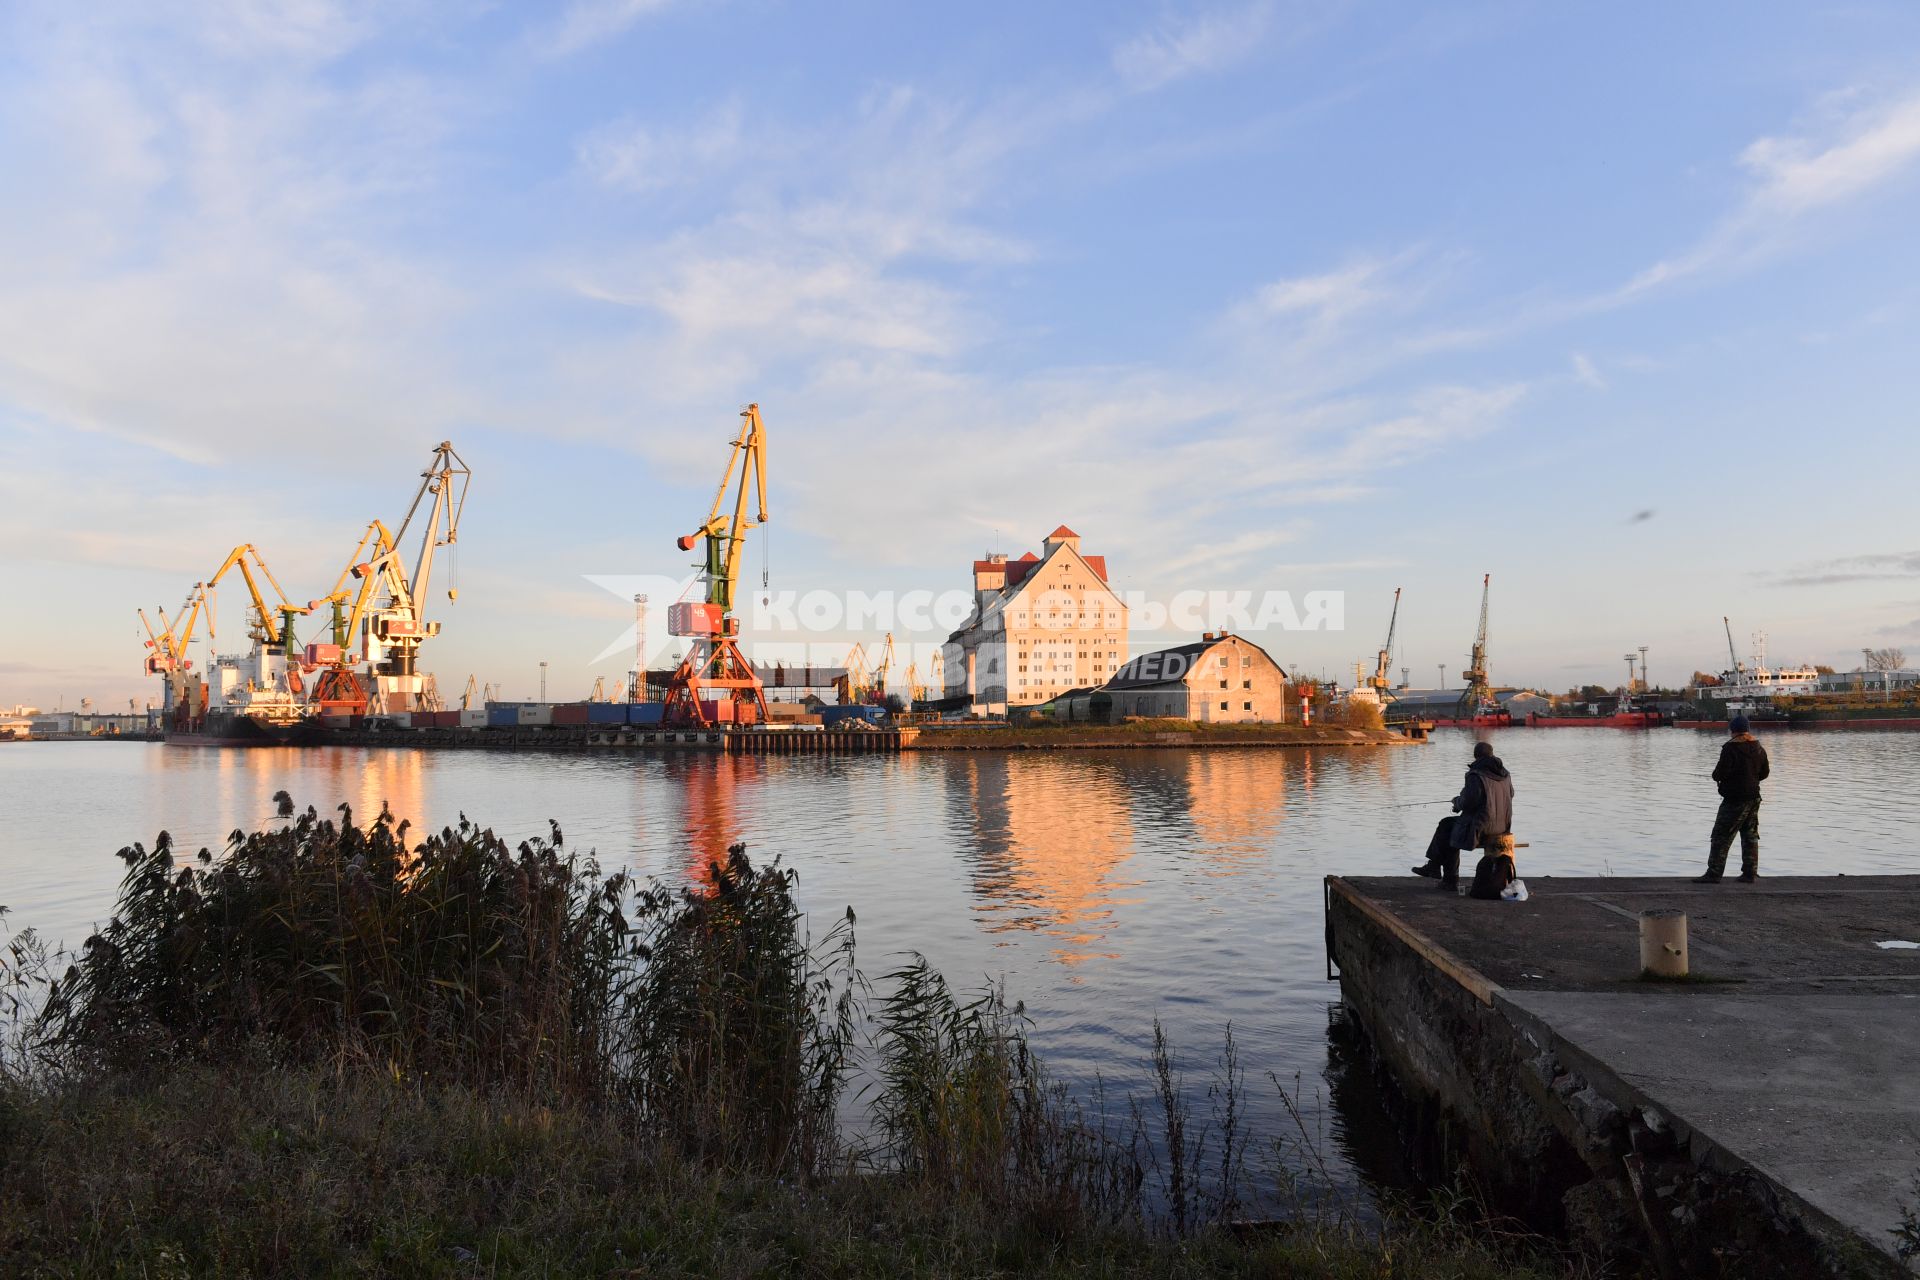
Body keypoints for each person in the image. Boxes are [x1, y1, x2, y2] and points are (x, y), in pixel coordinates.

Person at [1412, 741, 1515, 892]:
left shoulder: (1476, 774)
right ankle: (1435, 868)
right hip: (1503, 826)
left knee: (1447, 827)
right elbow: (1510, 795)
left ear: (1475, 756)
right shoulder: (1505, 774)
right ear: (1492, 755)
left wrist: (1457, 802)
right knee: (1451, 826)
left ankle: (1445, 876)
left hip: (1483, 827)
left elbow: (1469, 802)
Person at [1694, 713, 1769, 883]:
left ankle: (1714, 873)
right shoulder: (1759, 748)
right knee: (1750, 835)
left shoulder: (1730, 749)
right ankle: (1750, 873)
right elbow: (1765, 773)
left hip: (1734, 799)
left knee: (1721, 836)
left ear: (1733, 731)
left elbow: (1719, 773)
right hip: (1754, 798)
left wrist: (1720, 778)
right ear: (1748, 730)